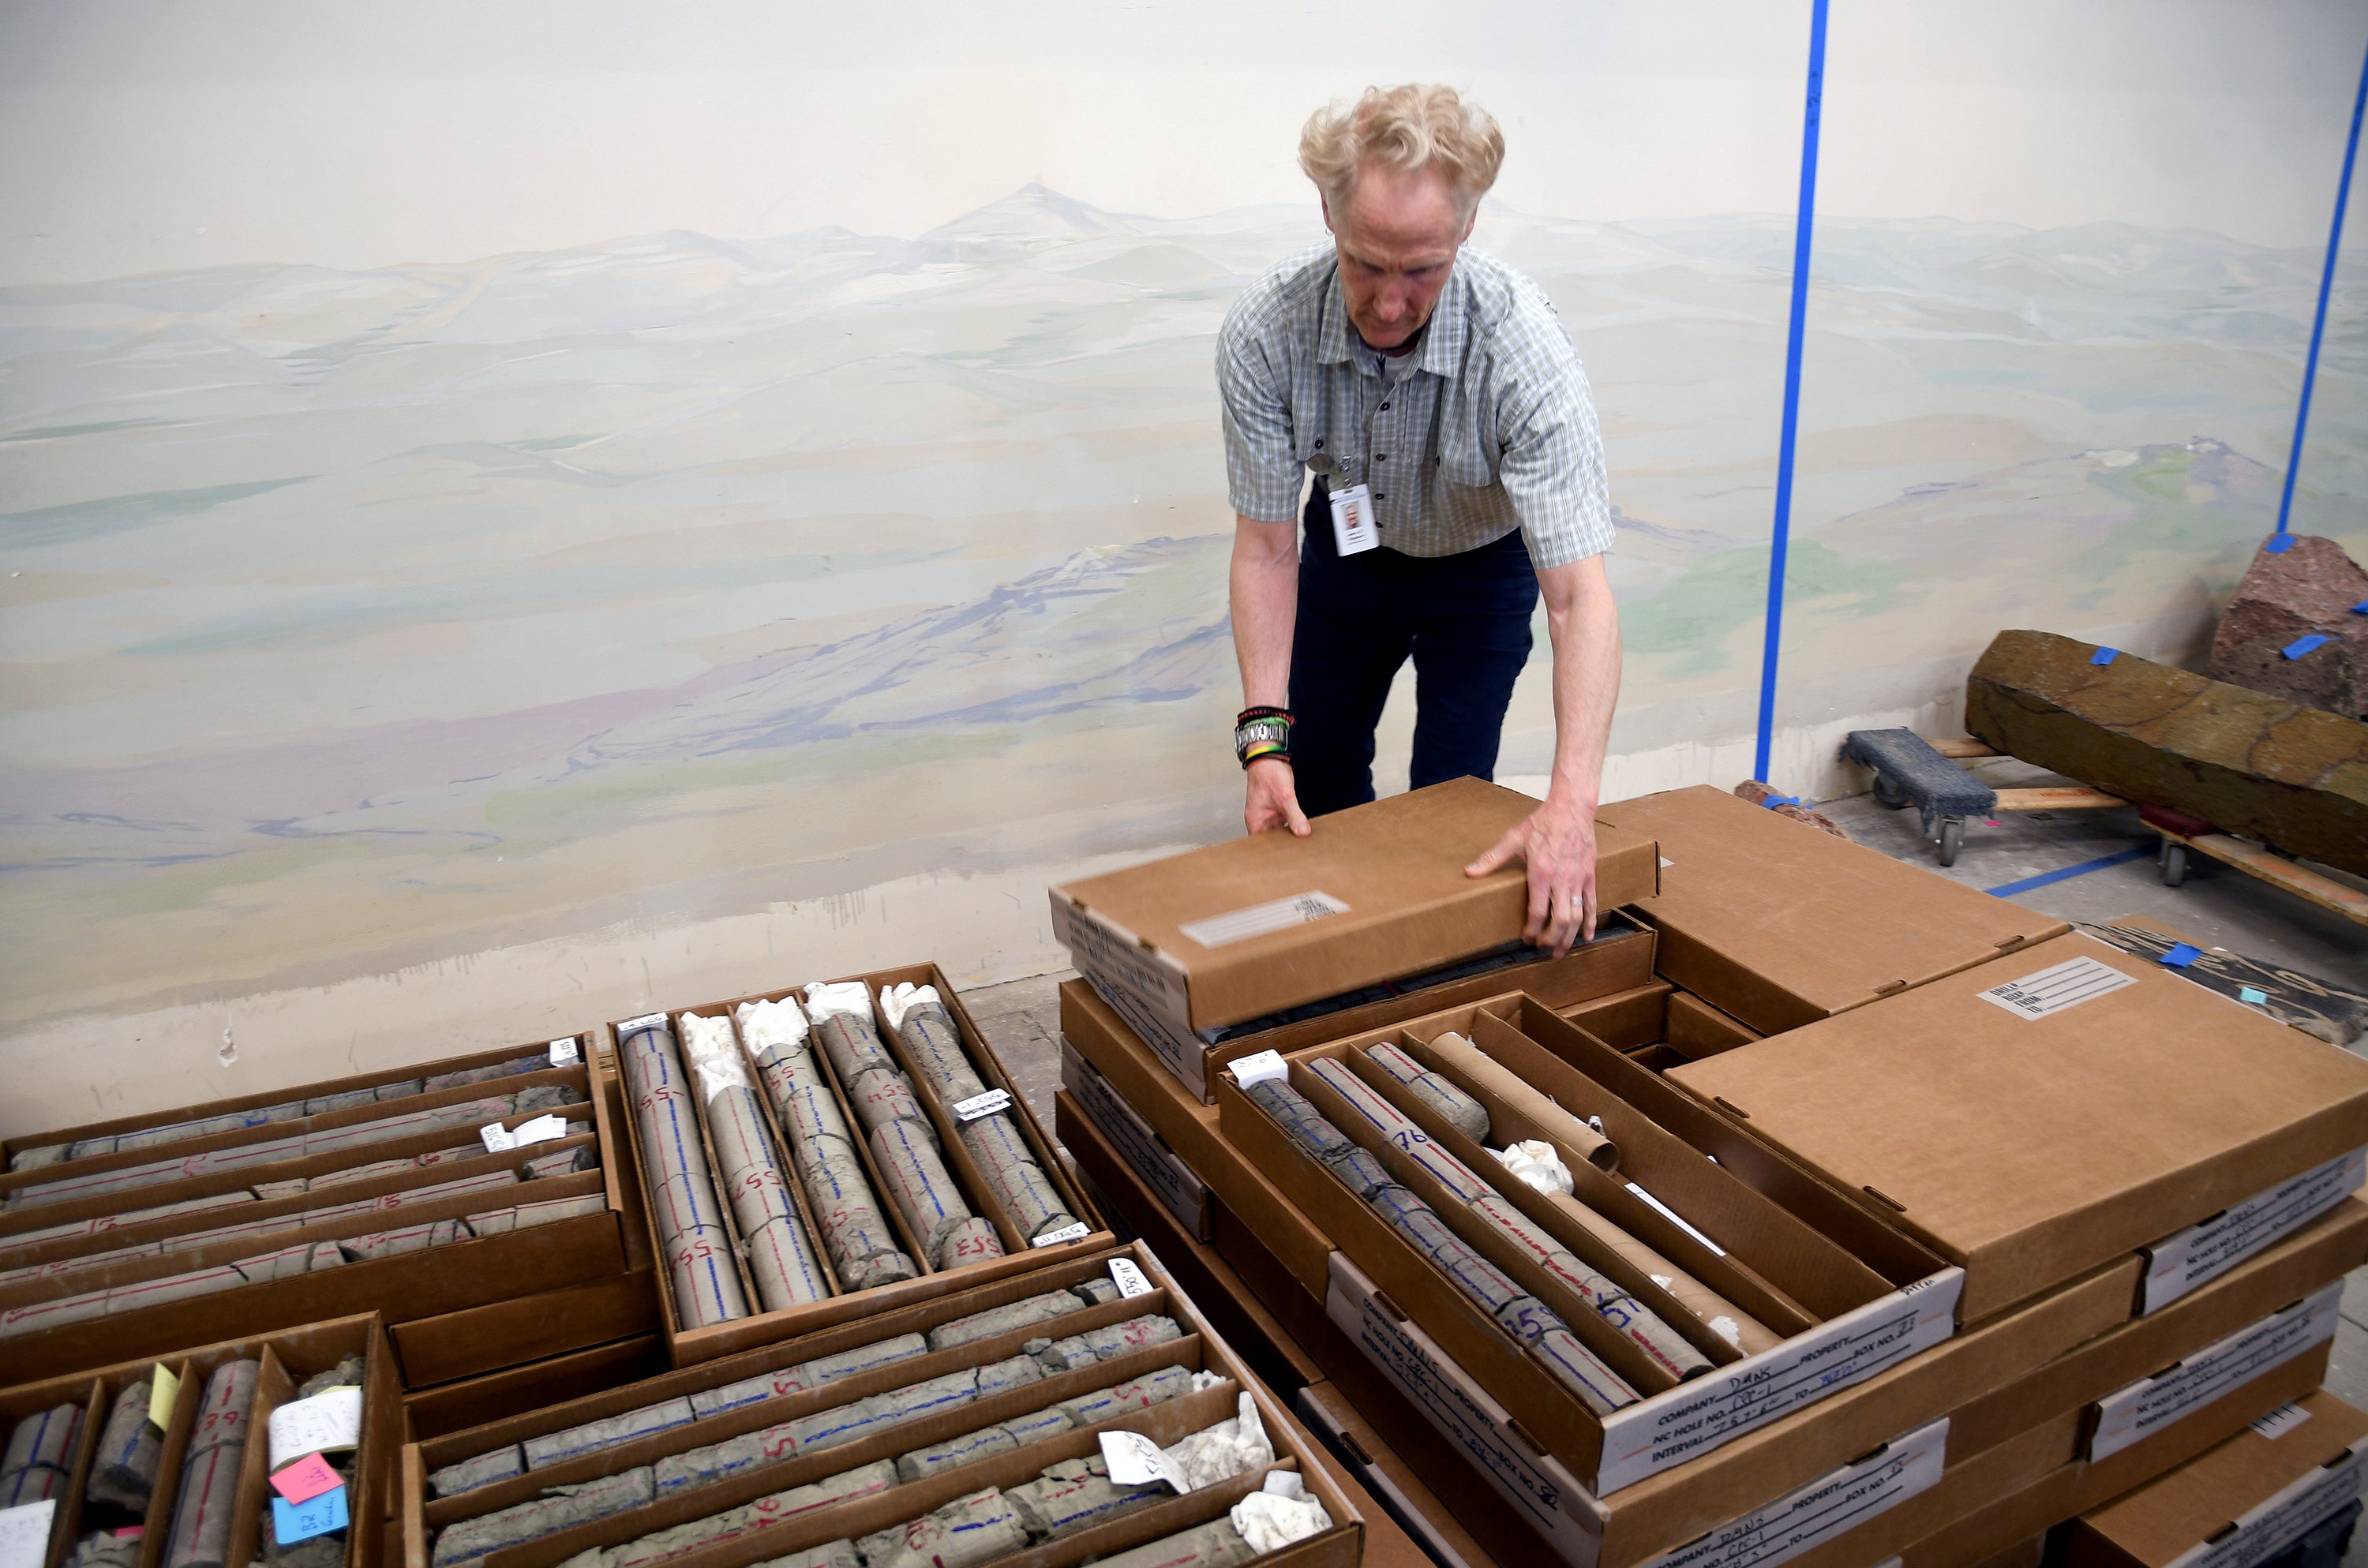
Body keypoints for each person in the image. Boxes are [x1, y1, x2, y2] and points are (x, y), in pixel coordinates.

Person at [1217, 84, 1623, 956]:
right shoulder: (1266, 332)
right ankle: (1343, 958)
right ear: (1328, 211)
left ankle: (1428, 973)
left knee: (1451, 800)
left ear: (1467, 232)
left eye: (1422, 269)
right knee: (1313, 778)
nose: (1391, 303)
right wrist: (1262, 743)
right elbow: (1264, 551)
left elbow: (1579, 599)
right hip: (1348, 552)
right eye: (1367, 263)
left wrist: (1572, 808)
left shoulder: (1523, 349)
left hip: (1481, 568)